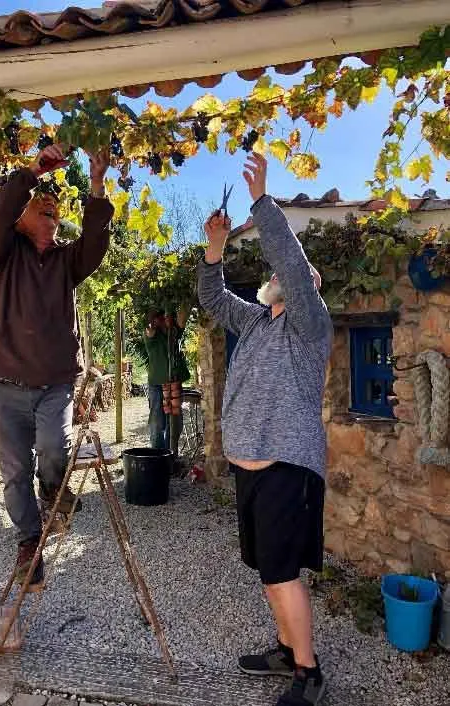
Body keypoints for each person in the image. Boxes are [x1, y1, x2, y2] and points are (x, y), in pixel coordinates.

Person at [198, 154, 332, 706]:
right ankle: (284, 649)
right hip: (248, 466)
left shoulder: (310, 324)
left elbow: (295, 268)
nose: (276, 276)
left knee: (281, 571)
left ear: (303, 289)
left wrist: (260, 202)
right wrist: (214, 248)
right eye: (276, 274)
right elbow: (210, 298)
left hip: (285, 465)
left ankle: (309, 673)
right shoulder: (253, 321)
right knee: (266, 569)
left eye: (286, 276)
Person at [0, 143, 113, 589]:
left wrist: (96, 185)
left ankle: (54, 491)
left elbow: (95, 242)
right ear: (20, 219)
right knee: (14, 472)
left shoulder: (65, 262)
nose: (50, 211)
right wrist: (33, 172)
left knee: (54, 447)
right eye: (42, 206)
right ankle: (29, 544)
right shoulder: (3, 253)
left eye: (55, 210)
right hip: (4, 387)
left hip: (53, 384)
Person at [144, 309, 190, 455]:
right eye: (159, 318)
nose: (162, 320)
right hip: (157, 383)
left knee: (175, 419)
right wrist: (152, 327)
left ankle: (171, 452)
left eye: (164, 317)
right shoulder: (152, 334)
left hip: (174, 382)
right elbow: (149, 333)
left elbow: (183, 320)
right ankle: (158, 454)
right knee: (157, 420)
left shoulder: (174, 332)